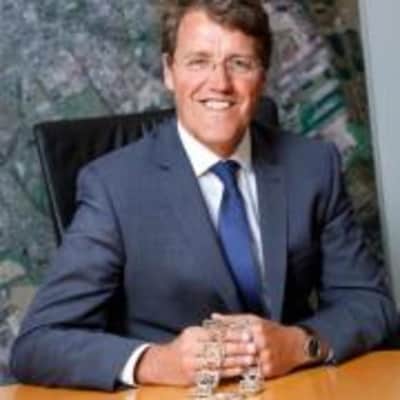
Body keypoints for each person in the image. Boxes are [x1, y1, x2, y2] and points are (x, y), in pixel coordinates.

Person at [10, 0, 397, 391]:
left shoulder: (313, 166)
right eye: (198, 62)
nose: (219, 83)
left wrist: (299, 345)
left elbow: (370, 304)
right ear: (169, 71)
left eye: (239, 63)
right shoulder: (113, 186)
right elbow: (38, 342)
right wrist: (156, 362)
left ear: (262, 76)